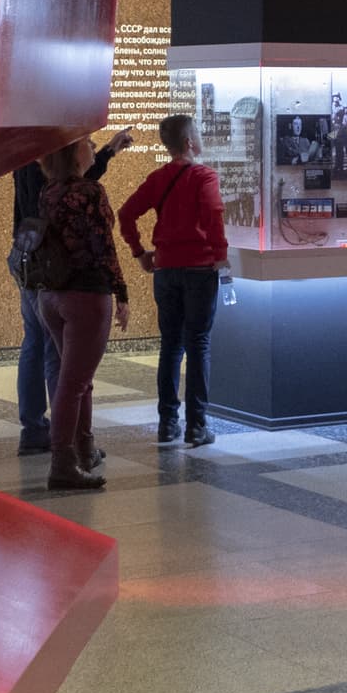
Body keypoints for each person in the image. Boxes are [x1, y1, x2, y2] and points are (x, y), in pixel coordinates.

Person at [9, 128, 128, 456]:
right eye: (85, 142)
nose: (90, 144)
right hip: (58, 270)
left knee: (34, 343)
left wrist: (107, 152)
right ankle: (70, 440)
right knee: (59, 358)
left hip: (29, 257)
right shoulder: (69, 182)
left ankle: (35, 429)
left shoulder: (27, 150)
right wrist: (121, 293)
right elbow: (79, 199)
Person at [117, 110, 228, 447]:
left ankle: (167, 423)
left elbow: (126, 214)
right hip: (199, 269)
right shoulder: (204, 176)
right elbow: (213, 215)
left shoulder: (158, 178)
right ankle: (197, 426)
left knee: (171, 345)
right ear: (189, 142)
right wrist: (220, 255)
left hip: (165, 270)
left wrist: (139, 252)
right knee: (198, 344)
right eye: (199, 134)